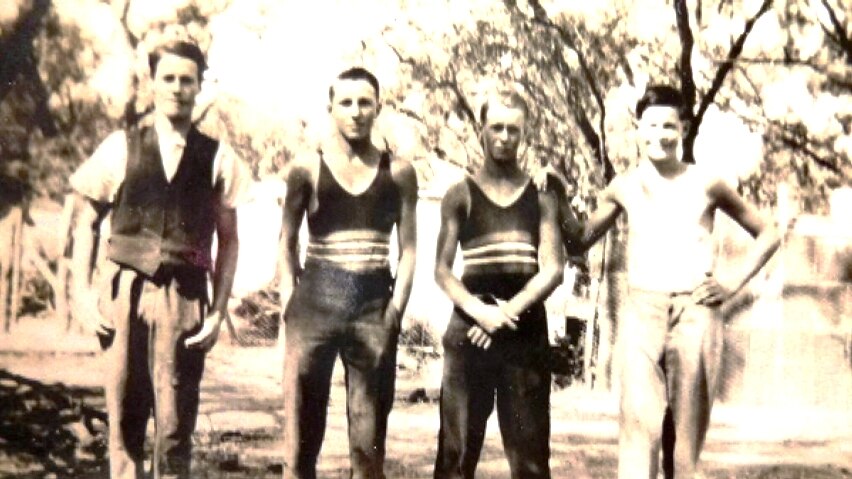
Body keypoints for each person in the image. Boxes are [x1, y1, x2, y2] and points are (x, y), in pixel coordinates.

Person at [547, 85, 780, 479]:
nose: (659, 134)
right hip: (642, 312)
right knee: (639, 434)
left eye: (669, 126)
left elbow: (770, 232)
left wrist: (730, 283)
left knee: (686, 445)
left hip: (695, 314)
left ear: (684, 129)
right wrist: (557, 191)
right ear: (638, 128)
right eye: (651, 124)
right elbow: (580, 237)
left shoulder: (708, 182)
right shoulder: (625, 185)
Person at [69, 38, 251, 479]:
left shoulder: (218, 156)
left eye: (186, 80)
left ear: (199, 87)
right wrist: (81, 293)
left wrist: (218, 309)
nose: (177, 88)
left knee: (174, 426)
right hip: (124, 294)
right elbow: (83, 225)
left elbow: (229, 241)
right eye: (167, 78)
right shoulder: (120, 146)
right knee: (125, 419)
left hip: (184, 297)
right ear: (153, 84)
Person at [278, 67, 418, 479]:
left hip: (372, 302)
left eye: (365, 103)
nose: (356, 112)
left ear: (378, 107)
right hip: (315, 300)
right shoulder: (307, 167)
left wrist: (395, 310)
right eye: (346, 102)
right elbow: (286, 239)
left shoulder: (399, 172)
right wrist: (289, 301)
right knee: (300, 440)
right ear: (331, 108)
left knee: (368, 443)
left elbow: (408, 248)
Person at [432, 87, 563, 479]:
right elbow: (441, 269)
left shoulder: (541, 197)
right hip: (470, 330)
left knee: (531, 459)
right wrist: (479, 312)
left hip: (522, 332)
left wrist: (504, 313)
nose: (504, 137)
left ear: (525, 134)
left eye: (513, 130)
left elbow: (553, 268)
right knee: (455, 455)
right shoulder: (460, 194)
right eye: (496, 128)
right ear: (481, 131)